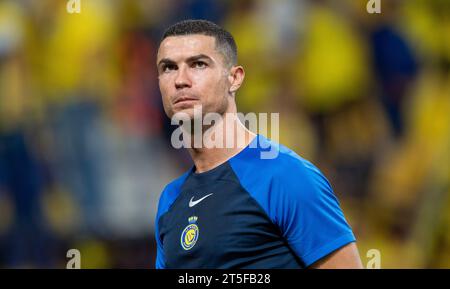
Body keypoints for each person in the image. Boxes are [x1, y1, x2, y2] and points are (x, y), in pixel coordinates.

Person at [154, 19, 363, 269]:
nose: (181, 80)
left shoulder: (285, 176)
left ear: (234, 78)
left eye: (198, 64)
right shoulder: (170, 200)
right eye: (168, 68)